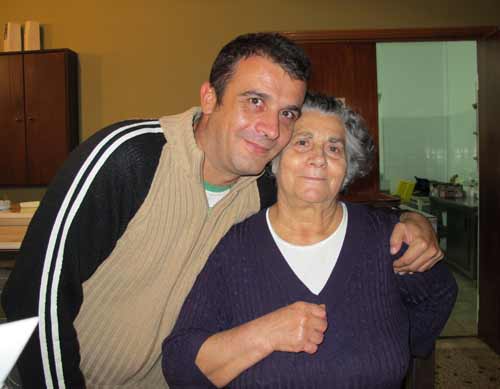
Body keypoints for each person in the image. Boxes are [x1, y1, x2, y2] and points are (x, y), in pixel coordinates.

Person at [2, 33, 442, 388]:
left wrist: (415, 221)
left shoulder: (265, 189)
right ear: (210, 98)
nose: (272, 129)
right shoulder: (129, 158)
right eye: (255, 101)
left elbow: (330, 204)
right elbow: (33, 297)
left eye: (288, 113)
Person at [162, 92, 457, 388]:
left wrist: (392, 348)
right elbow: (180, 366)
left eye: (334, 148)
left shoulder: (386, 239)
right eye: (302, 143)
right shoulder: (237, 248)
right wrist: (264, 334)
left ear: (347, 169)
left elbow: (439, 293)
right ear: (275, 159)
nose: (318, 158)